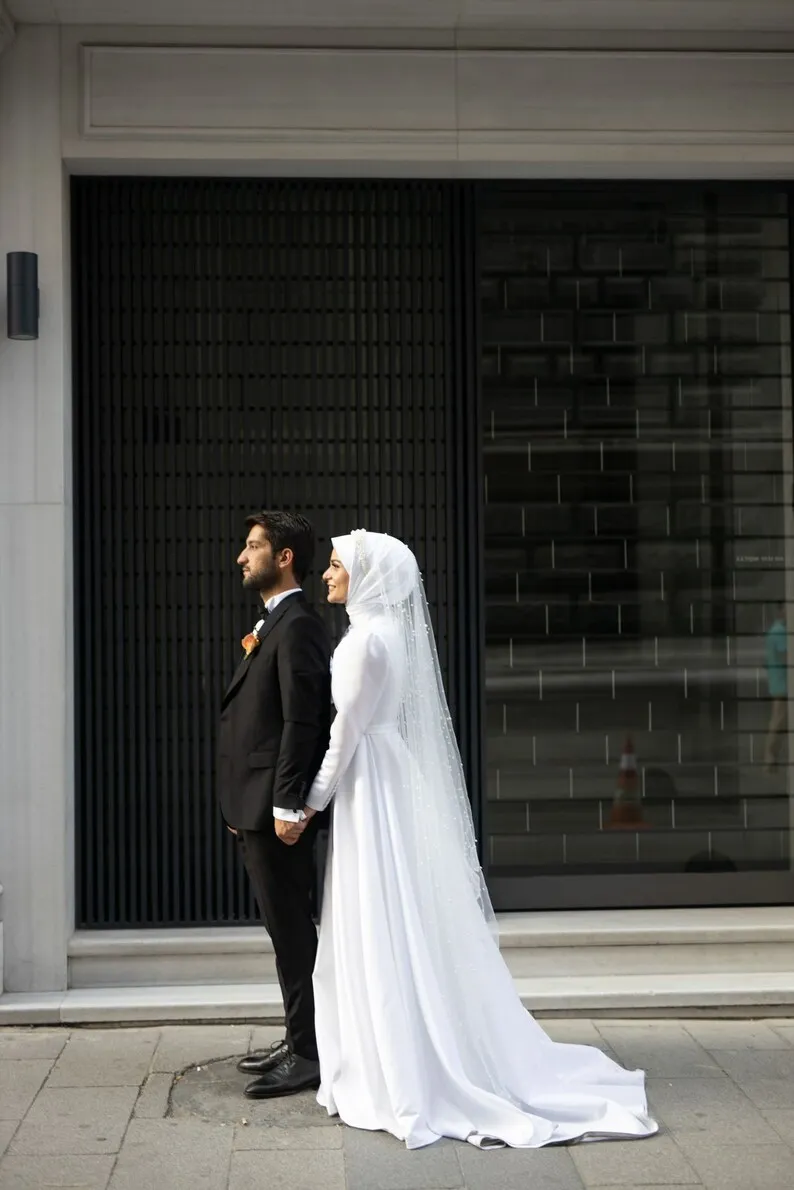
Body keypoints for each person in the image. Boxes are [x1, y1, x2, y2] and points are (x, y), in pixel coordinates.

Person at [280, 529, 658, 1150]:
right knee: (394, 914)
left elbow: (343, 738)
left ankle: (390, 1065)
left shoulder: (364, 644)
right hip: (388, 778)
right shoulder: (388, 636)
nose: (326, 574)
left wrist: (307, 805)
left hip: (369, 785)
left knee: (377, 914)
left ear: (368, 576)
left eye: (337, 565)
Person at [217, 511, 331, 1100]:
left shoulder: (299, 626)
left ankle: (310, 1053)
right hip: (255, 805)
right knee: (281, 930)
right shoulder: (273, 623)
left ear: (284, 557)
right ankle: (299, 1036)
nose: (243, 555)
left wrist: (288, 803)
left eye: (254, 546)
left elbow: (303, 721)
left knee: (291, 931)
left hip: (273, 811)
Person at [764, 602, 787, 774]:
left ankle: (772, 757)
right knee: (778, 720)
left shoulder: (775, 630)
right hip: (782, 683)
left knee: (779, 720)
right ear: (780, 610)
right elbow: (786, 656)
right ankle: (770, 757)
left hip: (779, 681)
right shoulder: (779, 631)